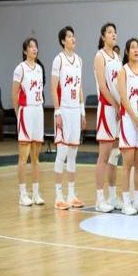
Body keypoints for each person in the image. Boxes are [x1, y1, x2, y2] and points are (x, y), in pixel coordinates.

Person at [51, 26, 86, 210]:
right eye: (70, 36)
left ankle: (71, 194)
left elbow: (79, 87)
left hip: (75, 110)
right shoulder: (58, 60)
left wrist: (82, 111)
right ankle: (59, 195)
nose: (73, 39)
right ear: (63, 41)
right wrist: (57, 112)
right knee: (62, 153)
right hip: (63, 110)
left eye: (74, 36)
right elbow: (53, 87)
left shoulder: (79, 60)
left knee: (73, 154)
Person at [117, 38, 138, 215]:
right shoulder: (123, 71)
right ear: (127, 52)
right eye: (132, 47)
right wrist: (135, 119)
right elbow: (123, 98)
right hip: (129, 121)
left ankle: (137, 201)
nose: (136, 50)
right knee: (128, 163)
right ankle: (125, 202)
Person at [93, 23, 123, 213]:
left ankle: (112, 196)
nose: (113, 34)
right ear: (103, 36)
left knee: (114, 155)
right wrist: (115, 104)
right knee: (103, 156)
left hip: (118, 110)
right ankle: (99, 198)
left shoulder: (117, 57)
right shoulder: (100, 56)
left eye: (115, 32)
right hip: (107, 108)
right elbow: (103, 86)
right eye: (109, 32)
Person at [12, 38, 45, 206]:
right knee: (23, 156)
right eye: (31, 47)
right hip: (26, 112)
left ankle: (36, 193)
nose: (34, 49)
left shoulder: (39, 68)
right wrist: (18, 115)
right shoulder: (20, 69)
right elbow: (14, 94)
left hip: (38, 111)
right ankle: (22, 194)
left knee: (36, 157)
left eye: (35, 46)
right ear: (25, 51)